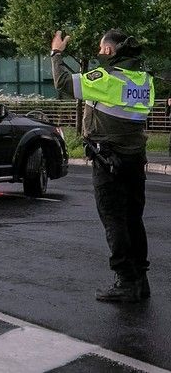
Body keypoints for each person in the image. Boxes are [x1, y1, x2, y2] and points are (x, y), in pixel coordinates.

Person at [51, 28, 155, 302]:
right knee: (134, 219)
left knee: (113, 220)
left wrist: (56, 53)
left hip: (108, 160)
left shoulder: (106, 78)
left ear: (108, 51)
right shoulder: (143, 80)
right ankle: (140, 280)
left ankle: (125, 280)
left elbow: (62, 82)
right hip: (135, 159)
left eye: (100, 47)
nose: (99, 52)